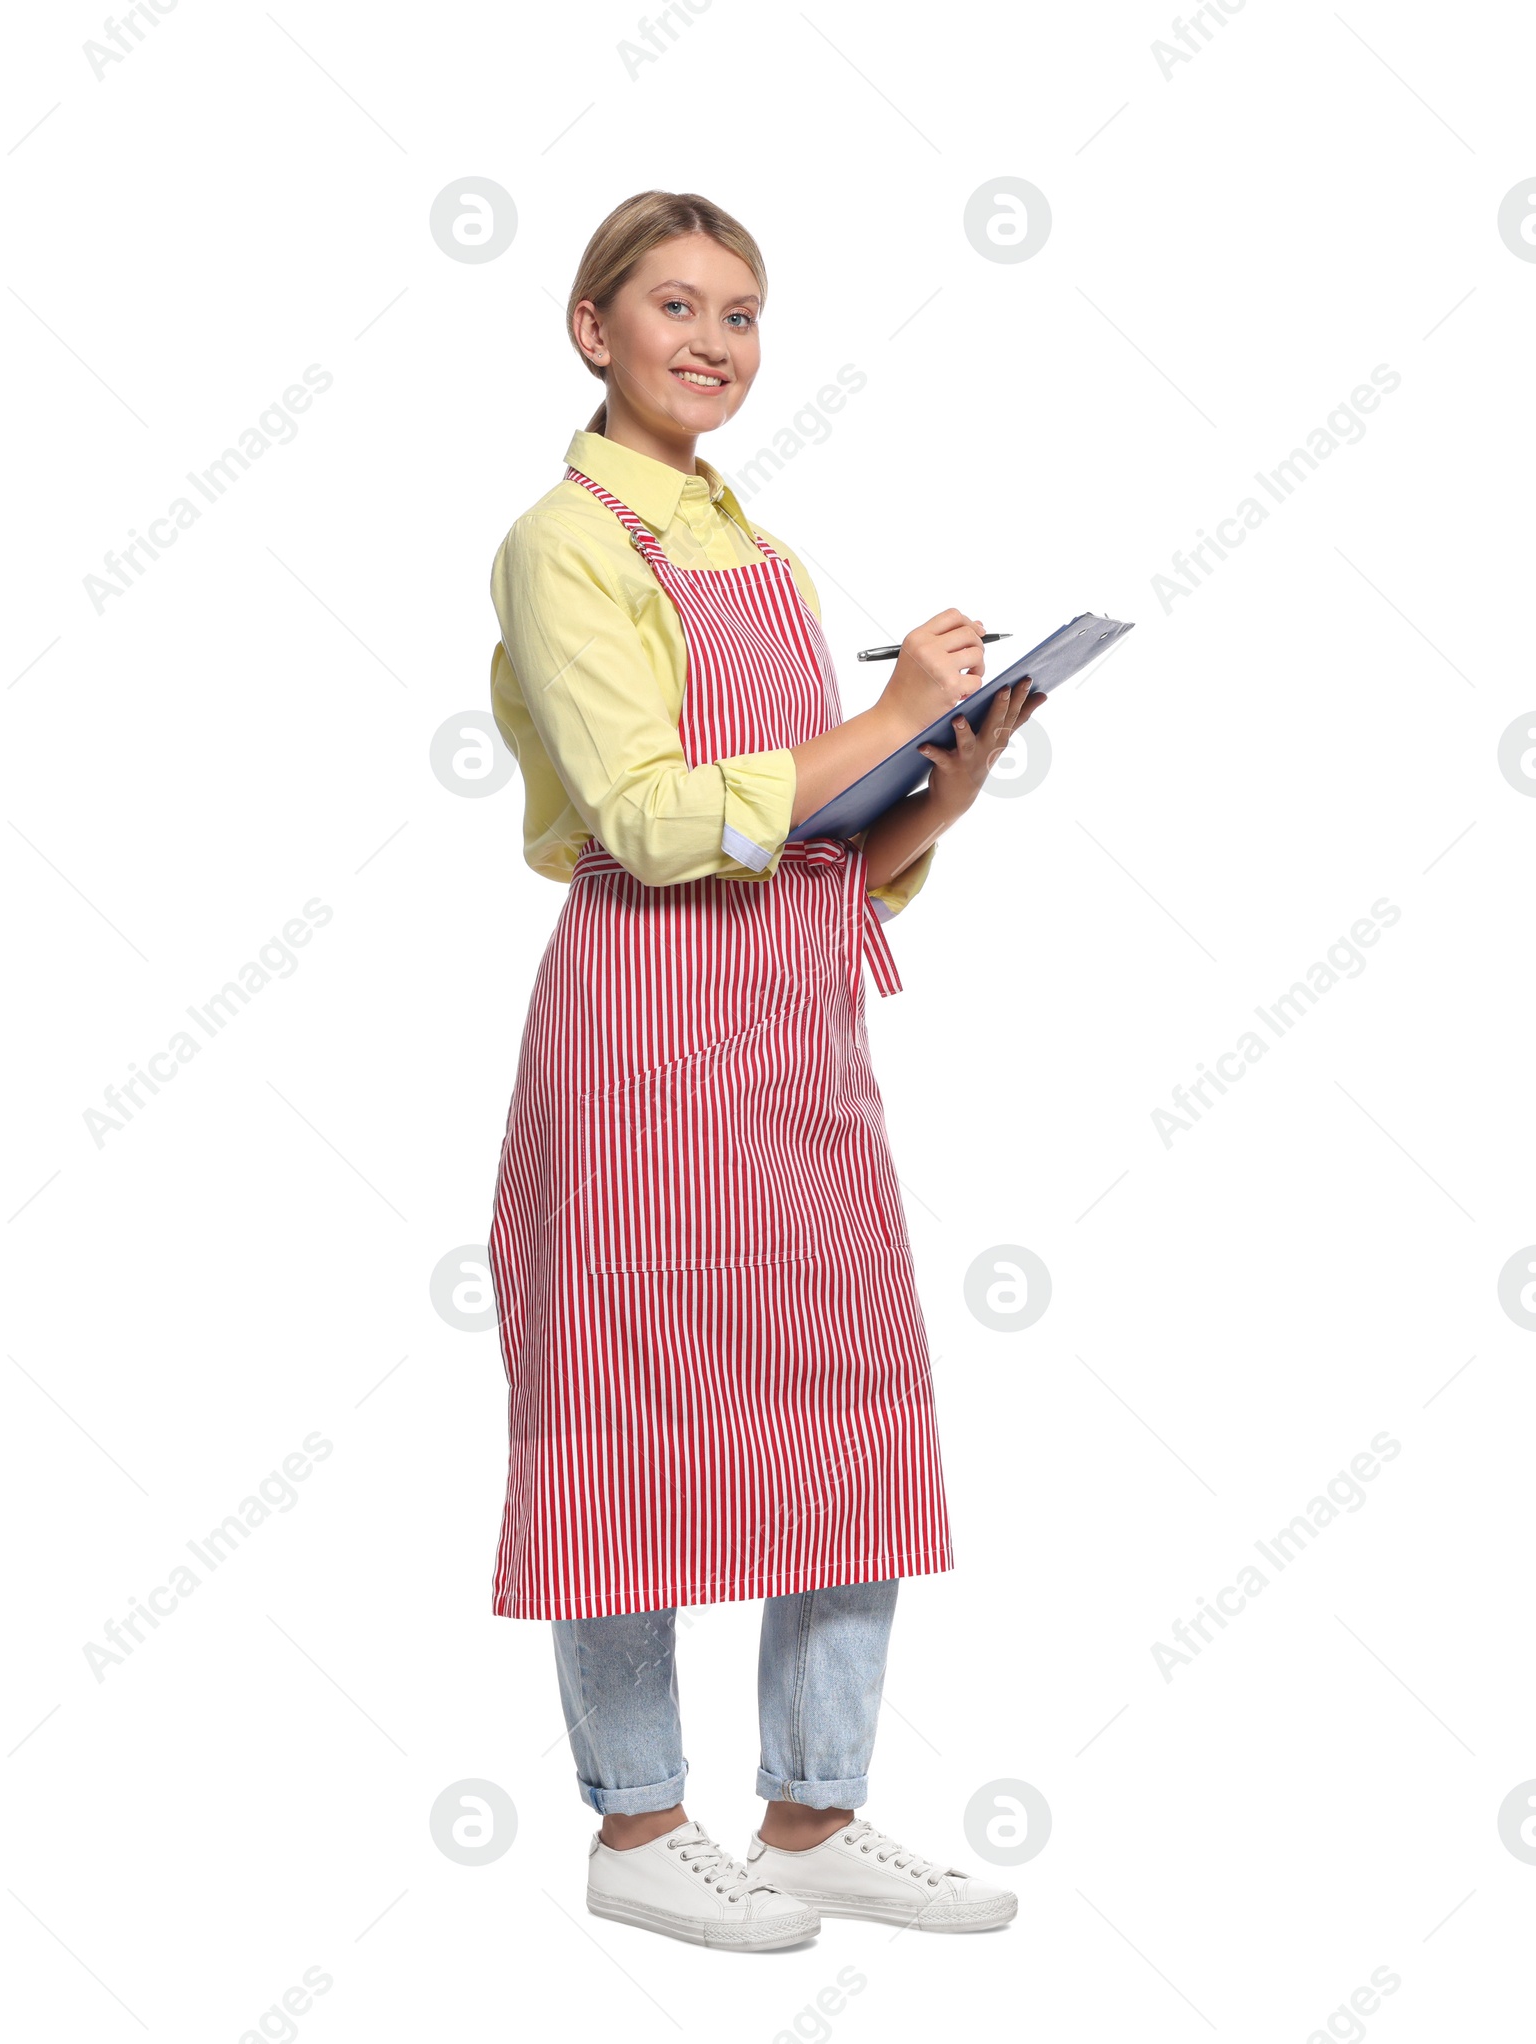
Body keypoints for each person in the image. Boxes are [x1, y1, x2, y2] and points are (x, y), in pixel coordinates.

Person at [486, 190, 1044, 1950]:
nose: (716, 343)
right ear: (594, 330)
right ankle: (639, 1826)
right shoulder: (563, 547)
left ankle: (811, 1811)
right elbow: (655, 827)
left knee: (852, 1399)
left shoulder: (764, 549)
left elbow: (818, 841)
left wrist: (933, 785)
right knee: (629, 1416)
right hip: (648, 1030)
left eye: (744, 313)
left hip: (801, 1026)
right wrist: (880, 720)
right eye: (677, 307)